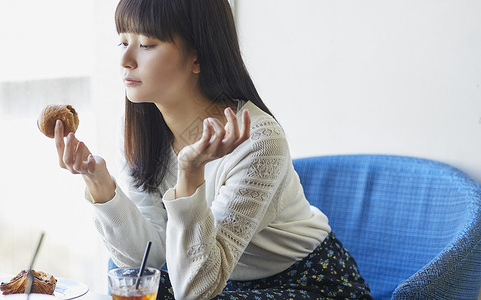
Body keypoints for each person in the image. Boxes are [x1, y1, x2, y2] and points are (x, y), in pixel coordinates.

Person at [54, 0, 372, 299]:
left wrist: (190, 176)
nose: (125, 60)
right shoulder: (140, 130)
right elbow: (147, 260)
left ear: (197, 56)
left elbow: (197, 289)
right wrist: (99, 183)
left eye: (147, 44)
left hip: (305, 283)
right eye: (123, 42)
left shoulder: (258, 140)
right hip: (216, 283)